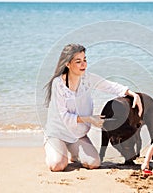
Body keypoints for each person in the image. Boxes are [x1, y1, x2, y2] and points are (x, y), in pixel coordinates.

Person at [43, 43, 143, 172]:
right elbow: (64, 117)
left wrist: (132, 94)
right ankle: (53, 149)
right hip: (57, 134)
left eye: (85, 60)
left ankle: (74, 154)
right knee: (57, 165)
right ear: (67, 64)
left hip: (78, 135)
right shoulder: (58, 84)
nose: (83, 64)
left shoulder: (87, 78)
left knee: (93, 163)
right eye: (78, 61)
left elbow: (109, 86)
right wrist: (90, 119)